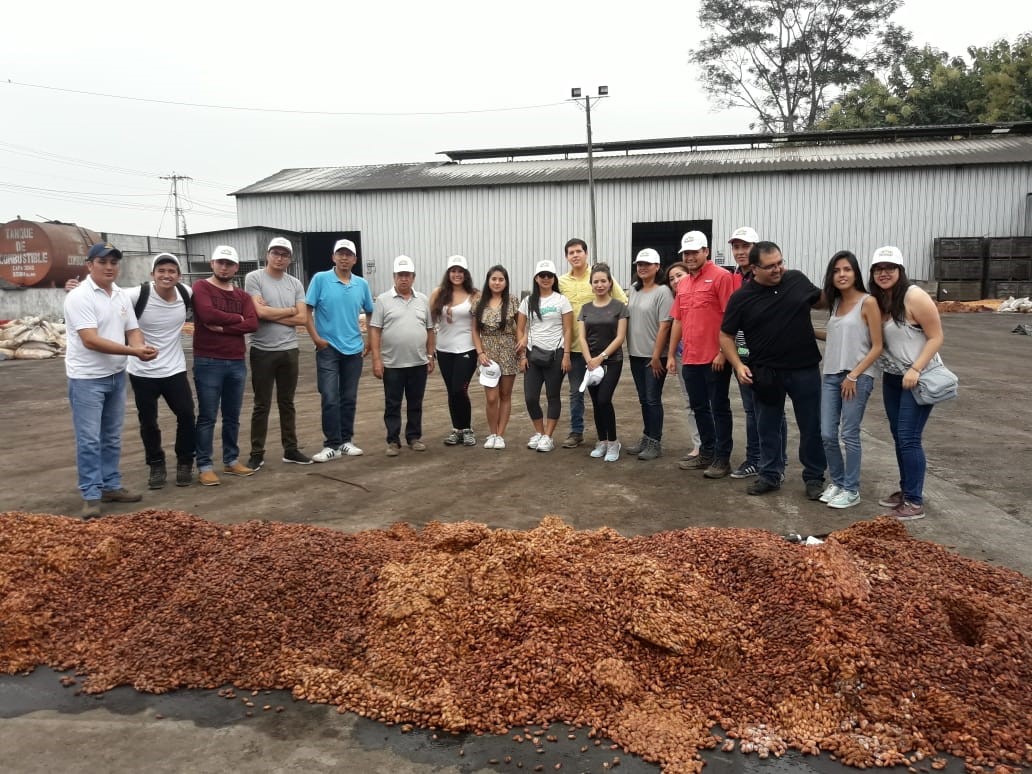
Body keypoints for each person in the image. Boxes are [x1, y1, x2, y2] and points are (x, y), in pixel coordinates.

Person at [719, 241, 827, 499]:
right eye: (770, 266)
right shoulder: (741, 298)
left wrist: (840, 290)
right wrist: (738, 364)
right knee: (767, 427)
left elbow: (821, 301)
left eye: (780, 263)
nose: (778, 269)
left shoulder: (796, 280)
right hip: (766, 373)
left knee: (811, 426)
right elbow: (725, 336)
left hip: (804, 369)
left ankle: (814, 477)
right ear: (754, 268)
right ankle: (769, 474)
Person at [64, 242, 156, 518]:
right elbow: (90, 340)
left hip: (116, 376)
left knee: (112, 437)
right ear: (89, 265)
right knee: (89, 439)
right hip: (87, 379)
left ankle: (111, 485)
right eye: (102, 262)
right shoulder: (79, 297)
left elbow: (133, 329)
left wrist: (141, 347)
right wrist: (133, 352)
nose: (109, 267)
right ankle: (91, 494)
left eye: (114, 262)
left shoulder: (119, 295)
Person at [869, 245, 944, 521]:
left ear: (900, 270)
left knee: (909, 437)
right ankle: (906, 490)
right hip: (893, 378)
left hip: (918, 377)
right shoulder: (880, 300)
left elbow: (936, 337)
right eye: (878, 269)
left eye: (890, 268)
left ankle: (914, 501)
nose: (884, 273)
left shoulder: (915, 296)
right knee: (899, 436)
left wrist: (916, 368)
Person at [816, 250, 884, 510]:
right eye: (836, 271)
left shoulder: (868, 302)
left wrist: (854, 375)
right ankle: (838, 481)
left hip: (857, 377)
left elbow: (877, 346)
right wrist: (808, 331)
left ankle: (851, 489)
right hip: (831, 375)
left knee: (849, 434)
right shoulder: (835, 303)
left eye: (847, 269)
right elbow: (837, 336)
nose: (841, 275)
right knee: (827, 433)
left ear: (856, 273)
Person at [666, 231, 735, 479]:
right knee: (699, 407)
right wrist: (671, 354)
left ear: (706, 251)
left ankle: (722, 458)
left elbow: (730, 317)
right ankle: (706, 452)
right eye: (686, 253)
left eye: (695, 252)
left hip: (715, 358)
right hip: (691, 358)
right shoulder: (684, 283)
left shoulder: (721, 277)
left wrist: (723, 352)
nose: (690, 257)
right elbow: (678, 320)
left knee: (719, 408)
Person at [125, 252, 195, 489]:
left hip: (174, 369)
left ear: (179, 275)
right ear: (152, 274)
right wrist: (76, 289)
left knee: (186, 414)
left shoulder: (186, 293)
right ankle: (156, 464)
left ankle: (185, 462)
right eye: (161, 271)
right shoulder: (137, 295)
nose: (167, 275)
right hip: (142, 370)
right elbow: (107, 297)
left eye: (172, 271)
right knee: (148, 421)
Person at [192, 245, 259, 486]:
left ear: (236, 267)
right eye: (220, 262)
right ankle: (205, 466)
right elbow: (207, 315)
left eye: (229, 264)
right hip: (208, 360)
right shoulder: (201, 287)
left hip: (236, 361)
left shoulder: (243, 296)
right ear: (212, 263)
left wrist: (224, 327)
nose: (224, 267)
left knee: (232, 415)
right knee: (208, 416)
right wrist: (238, 319)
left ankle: (231, 460)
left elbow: (253, 323)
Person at [724, 226, 787, 479]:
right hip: (743, 355)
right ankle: (755, 459)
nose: (740, 252)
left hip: (768, 357)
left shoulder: (770, 277)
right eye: (736, 247)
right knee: (751, 410)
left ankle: (777, 462)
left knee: (773, 410)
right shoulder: (733, 278)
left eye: (746, 246)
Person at [305, 238, 375, 462]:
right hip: (328, 348)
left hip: (353, 350)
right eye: (340, 254)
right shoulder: (320, 279)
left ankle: (346, 441)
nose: (344, 258)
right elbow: (307, 310)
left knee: (349, 397)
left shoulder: (361, 284)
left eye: (348, 254)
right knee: (329, 396)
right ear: (333, 257)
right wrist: (316, 338)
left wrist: (369, 340)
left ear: (355, 259)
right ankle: (331, 445)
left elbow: (370, 311)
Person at [244, 237, 311, 469]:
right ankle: (257, 452)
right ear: (267, 255)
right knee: (261, 404)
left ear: (290, 259)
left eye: (284, 255)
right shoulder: (254, 278)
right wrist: (290, 310)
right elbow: (259, 313)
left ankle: (290, 449)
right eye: (276, 253)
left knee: (287, 402)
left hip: (289, 350)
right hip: (262, 350)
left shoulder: (295, 284)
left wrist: (272, 312)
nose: (280, 258)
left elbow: (302, 318)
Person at [558, 238, 627, 448]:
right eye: (571, 252)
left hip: (602, 350)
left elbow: (622, 301)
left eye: (578, 251)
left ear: (586, 253)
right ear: (566, 257)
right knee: (576, 392)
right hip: (575, 347)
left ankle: (609, 440)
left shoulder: (599, 276)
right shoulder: (561, 282)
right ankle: (576, 431)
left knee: (602, 398)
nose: (575, 255)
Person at [369, 255, 436, 456]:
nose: (404, 279)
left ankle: (414, 437)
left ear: (413, 277)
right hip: (392, 363)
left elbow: (430, 330)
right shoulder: (383, 300)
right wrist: (376, 359)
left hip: (418, 362)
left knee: (415, 403)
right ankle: (393, 440)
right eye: (400, 275)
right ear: (394, 277)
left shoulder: (422, 300)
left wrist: (430, 356)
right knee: (393, 403)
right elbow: (375, 330)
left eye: (407, 275)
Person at [517, 260, 573, 453]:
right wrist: (522, 356)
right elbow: (520, 329)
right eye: (542, 275)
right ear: (536, 278)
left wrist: (566, 355)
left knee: (552, 395)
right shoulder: (528, 301)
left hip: (556, 354)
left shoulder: (561, 300)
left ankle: (548, 436)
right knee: (530, 397)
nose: (546, 278)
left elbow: (568, 329)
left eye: (550, 275)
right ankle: (540, 433)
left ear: (554, 278)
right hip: (533, 354)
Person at [625, 248, 674, 461]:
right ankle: (647, 437)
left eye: (647, 264)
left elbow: (665, 326)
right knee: (644, 399)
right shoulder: (634, 289)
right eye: (639, 264)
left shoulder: (663, 292)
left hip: (654, 356)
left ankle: (655, 441)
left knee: (653, 399)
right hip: (636, 354)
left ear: (657, 267)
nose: (642, 267)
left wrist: (656, 355)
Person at [578, 263, 629, 462]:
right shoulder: (585, 309)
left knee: (604, 400)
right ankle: (602, 441)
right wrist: (589, 359)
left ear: (610, 283)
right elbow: (582, 337)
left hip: (612, 361)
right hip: (591, 364)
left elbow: (620, 337)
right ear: (591, 285)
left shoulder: (619, 307)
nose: (599, 285)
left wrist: (602, 357)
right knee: (596, 402)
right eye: (596, 282)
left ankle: (614, 442)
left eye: (603, 281)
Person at [430, 255, 480, 446]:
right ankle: (456, 429)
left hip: (467, 349)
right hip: (444, 349)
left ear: (466, 274)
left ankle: (467, 428)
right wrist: (429, 351)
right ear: (448, 273)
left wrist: (483, 350)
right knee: (451, 390)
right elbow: (429, 322)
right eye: (453, 271)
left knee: (460, 388)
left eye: (460, 271)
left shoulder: (474, 295)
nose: (457, 274)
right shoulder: (438, 293)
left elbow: (481, 323)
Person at [471, 265, 520, 449]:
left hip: (508, 351)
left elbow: (521, 327)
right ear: (488, 281)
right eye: (494, 279)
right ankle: (492, 433)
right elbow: (474, 330)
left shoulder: (513, 301)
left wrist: (522, 348)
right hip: (488, 353)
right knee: (491, 397)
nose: (497, 282)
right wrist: (480, 352)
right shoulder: (479, 302)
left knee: (505, 395)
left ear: (506, 282)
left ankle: (500, 435)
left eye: (501, 279)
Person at [665, 262, 702, 461]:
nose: (675, 281)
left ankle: (713, 444)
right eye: (671, 278)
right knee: (690, 402)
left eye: (679, 275)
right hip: (682, 357)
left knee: (708, 402)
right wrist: (671, 355)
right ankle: (698, 445)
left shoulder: (700, 295)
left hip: (704, 356)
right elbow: (675, 327)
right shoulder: (674, 300)